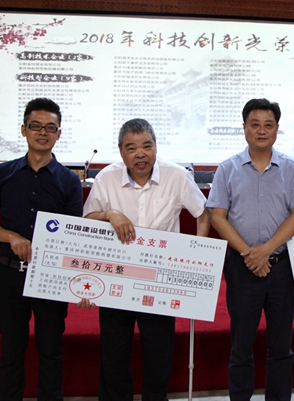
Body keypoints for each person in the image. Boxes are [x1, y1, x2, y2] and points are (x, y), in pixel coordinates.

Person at [78, 118, 211, 401]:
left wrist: (195, 253)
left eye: (147, 146)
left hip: (159, 280)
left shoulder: (176, 176)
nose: (141, 154)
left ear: (156, 146)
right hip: (116, 277)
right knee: (113, 355)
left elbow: (202, 213)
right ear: (120, 150)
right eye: (132, 148)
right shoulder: (106, 178)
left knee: (158, 356)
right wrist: (109, 214)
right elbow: (87, 220)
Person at [0, 98, 83, 401]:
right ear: (24, 130)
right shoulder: (4, 173)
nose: (42, 133)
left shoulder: (69, 181)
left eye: (50, 128)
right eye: (36, 126)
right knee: (11, 349)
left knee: (51, 349)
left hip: (50, 276)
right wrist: (11, 237)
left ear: (59, 134)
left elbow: (74, 234)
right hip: (10, 274)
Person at [207, 98, 294, 401]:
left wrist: (266, 250)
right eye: (255, 124)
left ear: (277, 129)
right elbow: (218, 217)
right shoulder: (227, 169)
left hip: (282, 267)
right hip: (242, 267)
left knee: (281, 346)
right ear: (244, 128)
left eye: (268, 125)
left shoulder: (291, 168)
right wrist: (250, 255)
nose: (261, 130)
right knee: (241, 346)